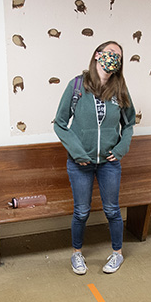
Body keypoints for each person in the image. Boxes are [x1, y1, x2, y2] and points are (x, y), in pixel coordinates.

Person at [54, 41, 136, 275]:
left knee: (112, 210)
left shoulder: (120, 89)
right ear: (98, 55)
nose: (113, 59)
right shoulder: (77, 86)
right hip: (81, 163)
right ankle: (76, 254)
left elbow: (129, 124)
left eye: (118, 56)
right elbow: (60, 124)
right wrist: (78, 153)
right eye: (109, 54)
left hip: (109, 163)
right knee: (81, 211)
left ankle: (117, 254)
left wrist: (120, 149)